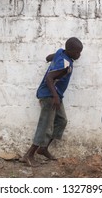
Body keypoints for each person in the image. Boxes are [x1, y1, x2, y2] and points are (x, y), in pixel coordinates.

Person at [21, 37, 83, 167]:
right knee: (45, 126)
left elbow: (48, 57)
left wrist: (53, 58)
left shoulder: (61, 52)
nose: (79, 55)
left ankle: (43, 148)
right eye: (77, 52)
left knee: (61, 121)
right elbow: (49, 78)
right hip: (49, 95)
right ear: (70, 50)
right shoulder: (64, 64)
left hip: (55, 95)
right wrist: (55, 97)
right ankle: (29, 155)